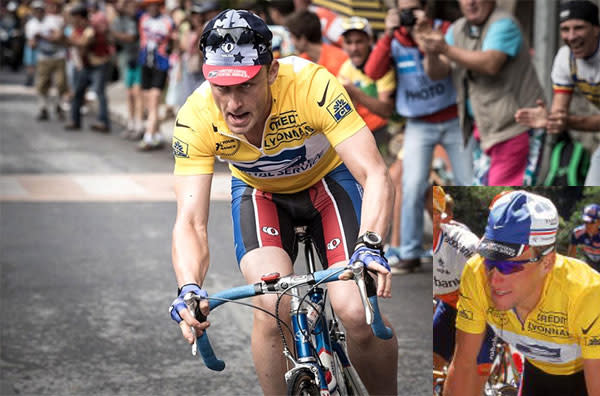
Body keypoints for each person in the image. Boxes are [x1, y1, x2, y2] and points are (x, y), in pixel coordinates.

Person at [167, 9, 398, 395]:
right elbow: (190, 220)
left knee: (356, 311)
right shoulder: (195, 116)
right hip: (261, 195)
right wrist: (188, 287)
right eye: (222, 88)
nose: (234, 103)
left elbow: (374, 173)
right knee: (273, 307)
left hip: (327, 183)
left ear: (271, 71)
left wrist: (370, 245)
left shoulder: (312, 85)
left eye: (246, 85)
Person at [444, 190, 600, 396]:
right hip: (538, 370)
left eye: (509, 267)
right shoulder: (476, 273)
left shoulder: (586, 294)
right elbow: (463, 364)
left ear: (547, 262)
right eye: (490, 260)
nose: (494, 278)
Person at [364, 0, 472, 274]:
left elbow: (440, 69)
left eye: (414, 9)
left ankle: (468, 251)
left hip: (452, 118)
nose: (409, 16)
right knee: (411, 187)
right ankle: (410, 252)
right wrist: (388, 34)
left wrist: (424, 35)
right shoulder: (394, 38)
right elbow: (372, 71)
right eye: (404, 11)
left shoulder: (442, 29)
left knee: (465, 182)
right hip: (418, 122)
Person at [421, 0, 545, 186]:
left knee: (501, 196)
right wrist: (430, 50)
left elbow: (491, 63)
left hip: (516, 128)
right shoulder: (458, 29)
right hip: (485, 131)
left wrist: (444, 48)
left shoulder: (504, 24)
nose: (470, 2)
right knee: (481, 191)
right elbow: (437, 72)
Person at [515, 0, 600, 186]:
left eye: (578, 28)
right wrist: (552, 120)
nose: (571, 36)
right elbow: (559, 114)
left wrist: (566, 121)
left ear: (596, 29)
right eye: (565, 29)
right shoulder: (565, 58)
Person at [432, 186, 497, 394]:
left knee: (468, 382)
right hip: (450, 307)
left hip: (482, 311)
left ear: (439, 217)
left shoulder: (463, 243)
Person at [65, 3, 112, 132]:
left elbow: (84, 44)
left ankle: (103, 122)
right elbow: (75, 46)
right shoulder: (77, 29)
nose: (72, 20)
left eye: (74, 17)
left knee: (99, 92)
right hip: (85, 65)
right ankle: (75, 120)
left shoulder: (91, 28)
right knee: (78, 92)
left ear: (81, 17)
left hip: (99, 64)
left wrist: (68, 40)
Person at [137, 0, 175, 150]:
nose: (151, 8)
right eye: (149, 6)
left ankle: (148, 137)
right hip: (146, 62)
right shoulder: (144, 19)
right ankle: (157, 134)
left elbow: (173, 42)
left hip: (160, 64)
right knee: (148, 103)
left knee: (154, 102)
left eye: (154, 5)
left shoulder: (168, 22)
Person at [25, 0, 67, 121]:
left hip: (58, 55)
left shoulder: (53, 20)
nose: (38, 12)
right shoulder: (31, 24)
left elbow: (58, 37)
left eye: (40, 10)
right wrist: (35, 40)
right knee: (42, 85)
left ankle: (59, 106)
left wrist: (42, 36)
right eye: (35, 10)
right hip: (43, 56)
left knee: (60, 83)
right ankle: (43, 109)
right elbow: (31, 43)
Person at [111, 0, 143, 139]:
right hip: (128, 58)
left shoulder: (137, 18)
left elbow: (130, 37)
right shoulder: (118, 20)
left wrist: (114, 34)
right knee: (129, 93)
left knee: (137, 93)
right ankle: (131, 124)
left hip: (139, 58)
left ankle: (139, 124)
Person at [285, 9, 348, 77]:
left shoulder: (338, 60)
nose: (291, 42)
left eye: (291, 36)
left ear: (303, 39)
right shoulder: (301, 60)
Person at [568, 203, 600, 272]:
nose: (588, 225)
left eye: (592, 222)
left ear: (599, 222)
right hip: (589, 259)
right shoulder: (577, 233)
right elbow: (571, 255)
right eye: (586, 221)